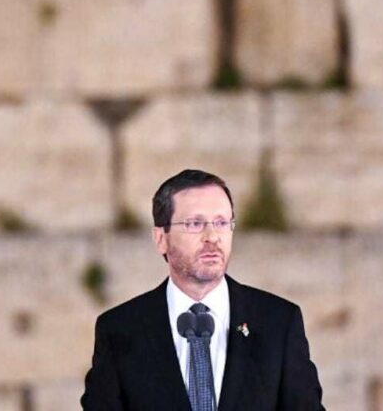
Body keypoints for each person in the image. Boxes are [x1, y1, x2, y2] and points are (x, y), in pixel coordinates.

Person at [81, 168, 325, 410]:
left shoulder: (278, 322)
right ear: (161, 238)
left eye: (221, 222)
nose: (212, 237)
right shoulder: (119, 329)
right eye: (195, 223)